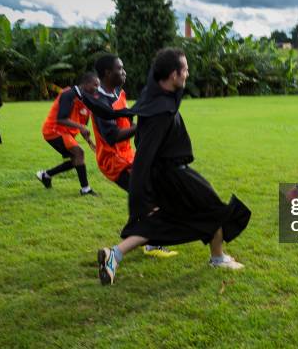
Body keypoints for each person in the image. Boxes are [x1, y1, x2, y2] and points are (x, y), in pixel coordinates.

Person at [76, 48, 251, 285]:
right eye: (185, 69)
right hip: (172, 174)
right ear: (172, 75)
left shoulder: (155, 95)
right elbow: (145, 156)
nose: (188, 73)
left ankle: (114, 254)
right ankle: (218, 258)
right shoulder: (160, 111)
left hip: (170, 171)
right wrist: (142, 195)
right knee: (214, 208)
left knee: (168, 219)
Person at [91, 53, 178, 260]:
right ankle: (151, 243)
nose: (124, 72)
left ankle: (136, 234)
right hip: (113, 162)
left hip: (129, 157)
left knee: (148, 195)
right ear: (107, 73)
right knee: (150, 198)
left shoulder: (118, 93)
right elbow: (111, 136)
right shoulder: (99, 102)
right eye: (120, 69)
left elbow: (127, 121)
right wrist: (144, 126)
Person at [36, 72, 99, 196]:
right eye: (95, 85)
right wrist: (81, 126)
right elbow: (61, 119)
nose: (97, 88)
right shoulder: (68, 94)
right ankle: (85, 189)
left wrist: (90, 142)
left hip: (65, 133)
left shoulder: (87, 100)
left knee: (76, 159)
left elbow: (83, 126)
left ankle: (46, 175)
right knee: (79, 153)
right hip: (53, 130)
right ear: (86, 84)